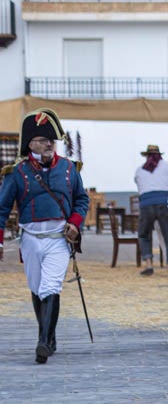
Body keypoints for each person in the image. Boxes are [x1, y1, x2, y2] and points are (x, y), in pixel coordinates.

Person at [0, 109, 89, 364]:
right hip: (29, 238)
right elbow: (2, 208)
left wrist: (75, 223)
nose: (49, 144)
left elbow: (81, 199)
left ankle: (43, 342)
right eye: (43, 139)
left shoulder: (70, 169)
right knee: (37, 288)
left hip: (58, 238)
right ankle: (49, 337)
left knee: (51, 286)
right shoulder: (16, 172)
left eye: (51, 140)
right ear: (30, 143)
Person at [133, 143, 168, 277]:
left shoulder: (139, 170)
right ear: (159, 155)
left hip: (146, 204)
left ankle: (149, 264)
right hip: (164, 203)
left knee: (144, 234)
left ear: (146, 156)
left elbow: (138, 184)